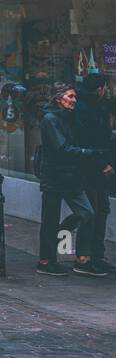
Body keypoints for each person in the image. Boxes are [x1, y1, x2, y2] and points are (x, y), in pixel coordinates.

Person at [36, 83, 102, 276]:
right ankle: (46, 260)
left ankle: (82, 259)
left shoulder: (69, 117)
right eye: (70, 96)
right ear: (59, 99)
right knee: (50, 219)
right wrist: (88, 153)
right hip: (55, 176)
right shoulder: (50, 119)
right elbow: (62, 148)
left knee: (88, 213)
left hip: (72, 176)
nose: (74, 100)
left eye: (74, 97)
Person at [67, 73, 115, 273]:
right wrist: (103, 163)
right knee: (92, 212)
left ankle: (95, 254)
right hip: (90, 169)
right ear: (100, 89)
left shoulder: (93, 106)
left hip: (94, 167)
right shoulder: (88, 109)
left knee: (100, 210)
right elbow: (90, 140)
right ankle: (84, 258)